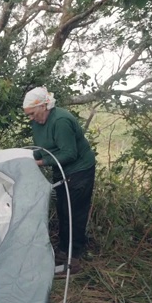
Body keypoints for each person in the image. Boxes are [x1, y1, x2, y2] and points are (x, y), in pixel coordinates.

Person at [22, 86, 95, 274]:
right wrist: (25, 157)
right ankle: (63, 251)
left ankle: (73, 260)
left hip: (79, 171)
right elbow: (44, 147)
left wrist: (39, 162)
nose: (30, 118)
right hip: (61, 170)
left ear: (43, 106)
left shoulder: (61, 120)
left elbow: (69, 153)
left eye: (32, 113)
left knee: (74, 214)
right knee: (63, 210)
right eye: (27, 115)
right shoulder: (38, 122)